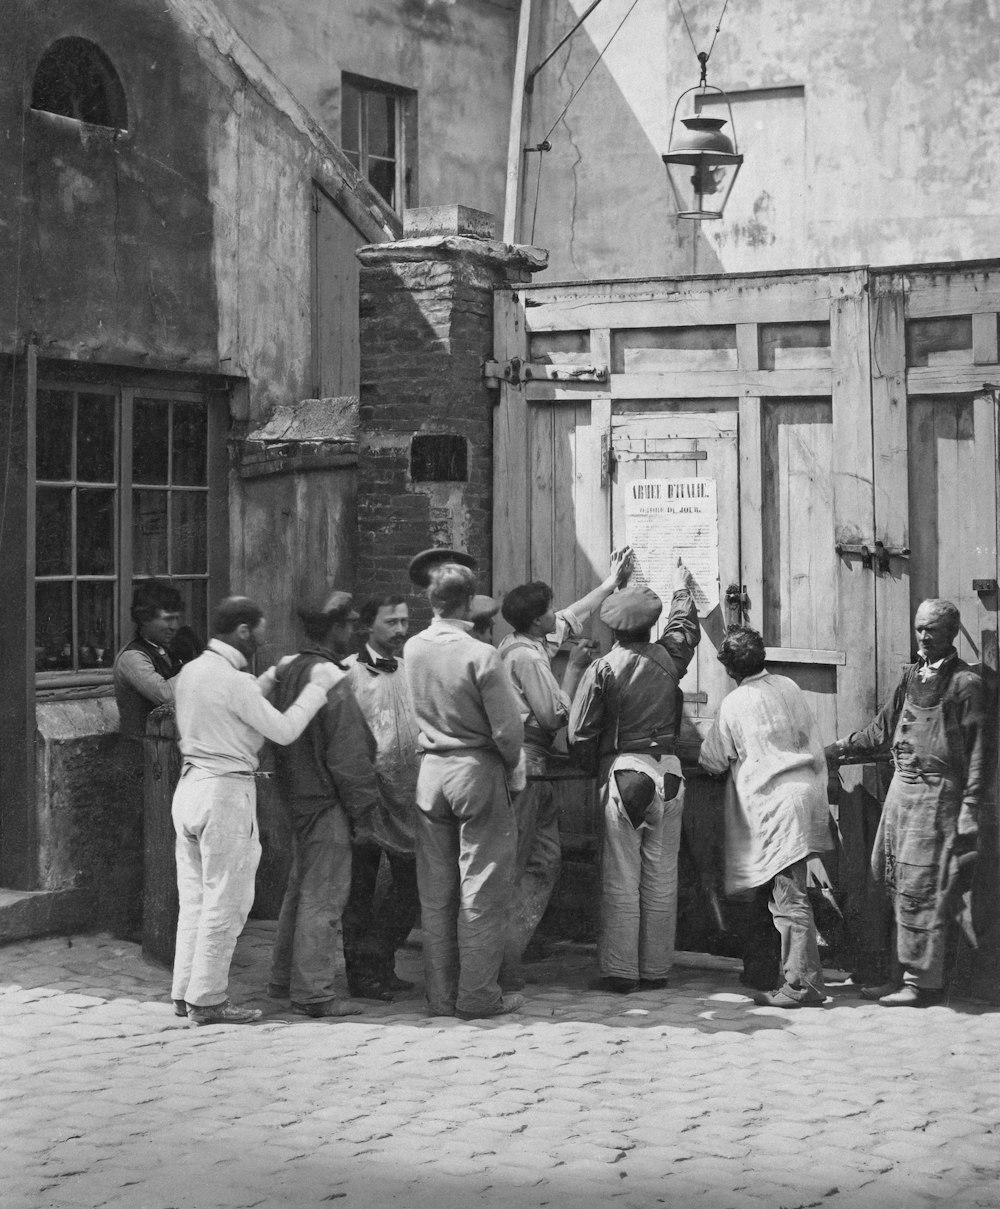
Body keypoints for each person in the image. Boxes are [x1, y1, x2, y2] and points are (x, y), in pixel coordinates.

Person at [171, 595, 344, 1026]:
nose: (263, 640)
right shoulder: (235, 682)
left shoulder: (192, 672)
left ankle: (184, 991)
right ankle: (208, 1000)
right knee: (226, 901)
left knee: (194, 898)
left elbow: (233, 706)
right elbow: (283, 731)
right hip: (225, 794)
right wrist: (319, 687)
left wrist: (269, 676)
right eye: (261, 632)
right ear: (244, 630)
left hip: (190, 788)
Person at [826, 598, 986, 1007]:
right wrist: (839, 748)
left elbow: (980, 755)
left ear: (950, 633)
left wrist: (969, 810)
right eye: (918, 629)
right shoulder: (911, 675)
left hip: (937, 797)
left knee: (923, 888)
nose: (922, 637)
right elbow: (881, 730)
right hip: (901, 794)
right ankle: (893, 976)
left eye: (930, 630)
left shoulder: (966, 684)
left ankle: (921, 983)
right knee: (887, 883)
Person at [495, 547, 634, 990]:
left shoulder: (520, 642)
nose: (557, 614)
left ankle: (509, 948)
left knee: (546, 859)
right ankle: (497, 961)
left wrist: (611, 584)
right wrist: (575, 670)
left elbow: (573, 616)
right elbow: (554, 717)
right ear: (537, 620)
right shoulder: (529, 658)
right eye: (549, 610)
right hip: (528, 767)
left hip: (539, 769)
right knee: (520, 862)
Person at [568, 564, 699, 993]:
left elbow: (580, 733)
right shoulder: (671, 657)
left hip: (627, 774)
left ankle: (621, 973)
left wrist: (591, 768)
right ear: (650, 626)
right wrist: (681, 589)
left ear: (613, 628)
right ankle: (656, 969)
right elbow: (685, 628)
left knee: (622, 878)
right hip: (672, 775)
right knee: (662, 878)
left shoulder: (604, 669)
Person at [404, 559, 526, 1019]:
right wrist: (513, 769)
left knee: (435, 893)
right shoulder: (480, 654)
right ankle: (477, 996)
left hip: (429, 771)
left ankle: (439, 996)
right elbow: (508, 733)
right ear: (470, 601)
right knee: (482, 887)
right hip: (475, 768)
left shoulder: (413, 648)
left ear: (430, 600)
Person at [699, 627, 833, 1008]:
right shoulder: (789, 685)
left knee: (789, 897)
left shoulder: (735, 702)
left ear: (729, 670)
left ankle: (802, 986)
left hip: (775, 802)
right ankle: (770, 972)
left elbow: (712, 758)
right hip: (806, 791)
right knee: (779, 891)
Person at [269, 592, 381, 1017]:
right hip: (326, 799)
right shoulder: (331, 677)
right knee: (324, 898)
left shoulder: (290, 668)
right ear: (334, 628)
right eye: (350, 623)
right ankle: (314, 993)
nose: (355, 630)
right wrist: (365, 811)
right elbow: (349, 755)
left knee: (299, 892)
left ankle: (283, 980)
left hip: (296, 796)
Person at [340, 593, 422, 1001]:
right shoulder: (347, 674)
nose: (401, 631)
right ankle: (362, 976)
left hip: (408, 798)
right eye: (391, 622)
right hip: (368, 799)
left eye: (405, 622)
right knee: (360, 889)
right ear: (368, 626)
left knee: (412, 886)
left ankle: (383, 959)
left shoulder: (411, 670)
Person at [109, 579, 185, 939]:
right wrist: (201, 669)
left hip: (163, 756)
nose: (174, 625)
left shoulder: (170, 652)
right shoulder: (133, 657)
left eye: (176, 618)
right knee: (135, 837)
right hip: (136, 755)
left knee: (163, 836)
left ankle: (158, 918)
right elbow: (166, 694)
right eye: (166, 618)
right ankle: (126, 923)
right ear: (143, 619)